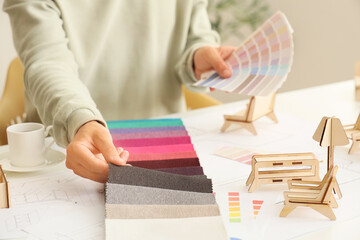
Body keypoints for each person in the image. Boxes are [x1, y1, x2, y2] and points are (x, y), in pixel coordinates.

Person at [3, 0, 234, 182]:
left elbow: (196, 33)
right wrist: (80, 120)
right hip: (67, 150)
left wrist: (197, 57)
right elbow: (48, 63)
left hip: (165, 141)